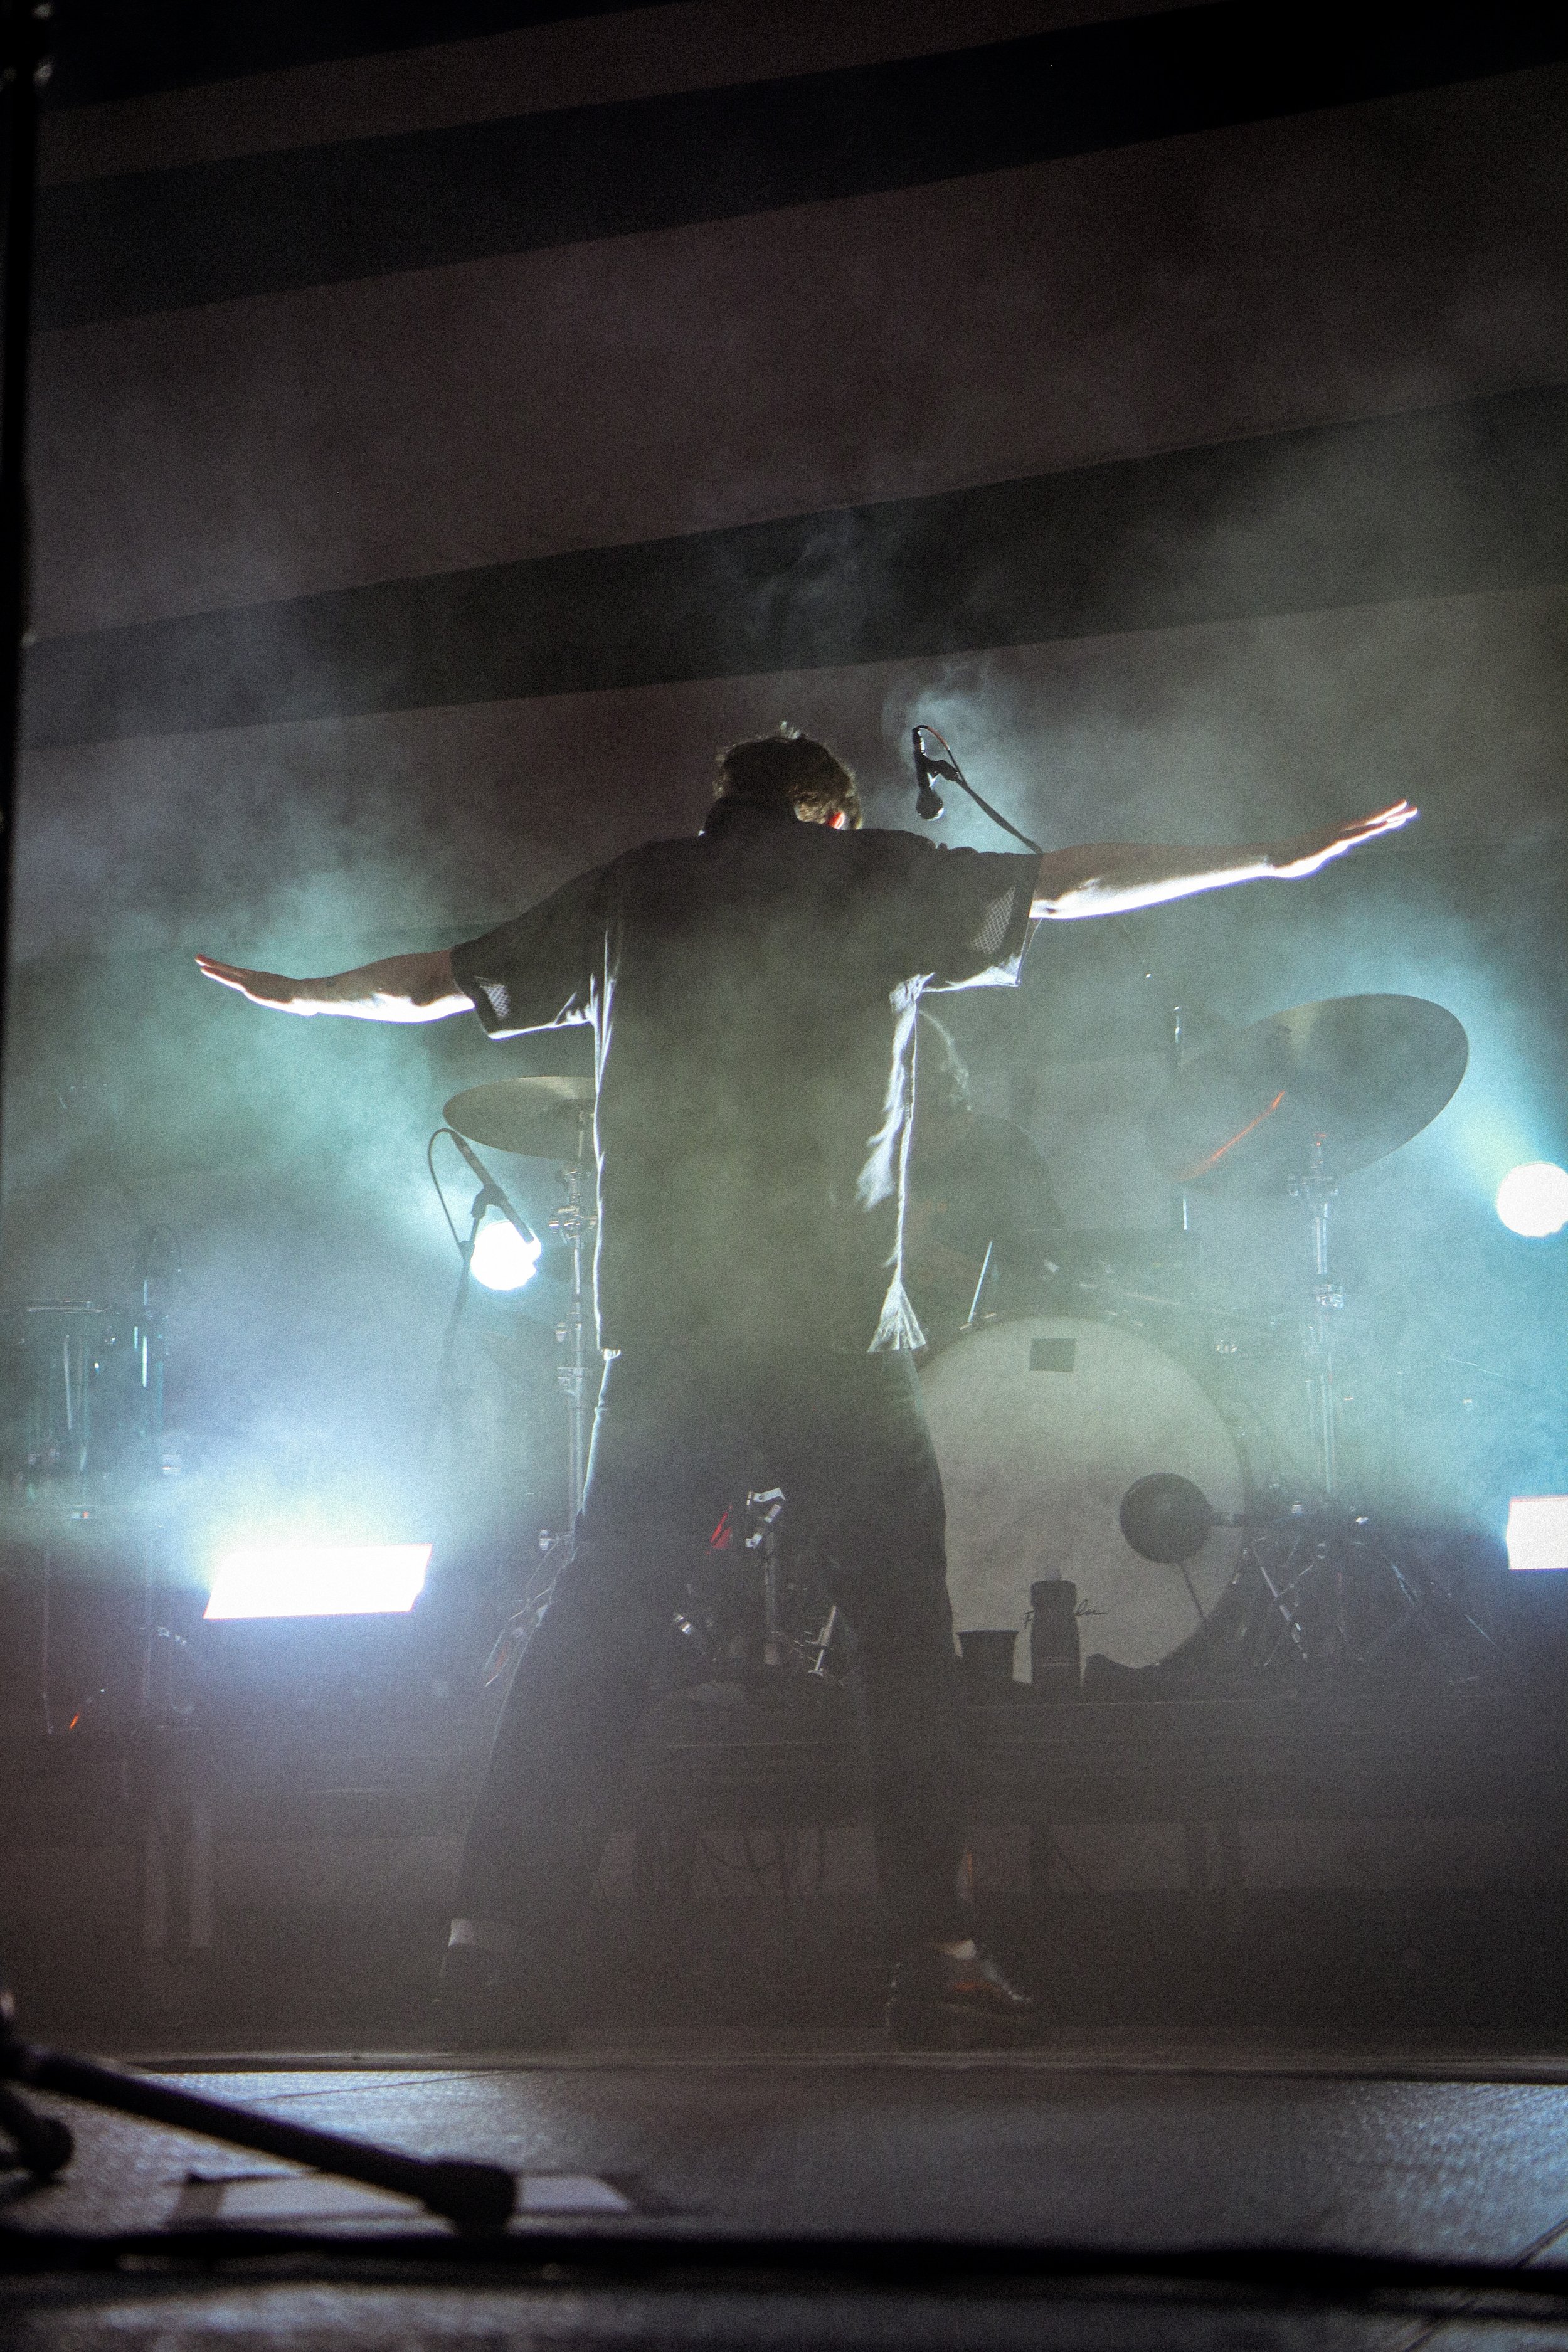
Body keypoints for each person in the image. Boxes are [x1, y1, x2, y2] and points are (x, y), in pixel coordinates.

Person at [198, 732, 1414, 2044]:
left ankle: (488, 1954)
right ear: (830, 815)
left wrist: (304, 994)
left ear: (721, 811)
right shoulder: (873, 878)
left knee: (593, 1635)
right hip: (832, 1330)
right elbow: (1068, 881)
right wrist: (1267, 860)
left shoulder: (631, 889)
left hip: (664, 1335)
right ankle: (933, 1965)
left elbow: (434, 985)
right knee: (904, 1646)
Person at [904, 1012, 1062, 1347]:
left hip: (983, 1355)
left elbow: (1042, 1282)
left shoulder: (1005, 1151)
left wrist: (926, 1255)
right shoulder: (879, 1161)